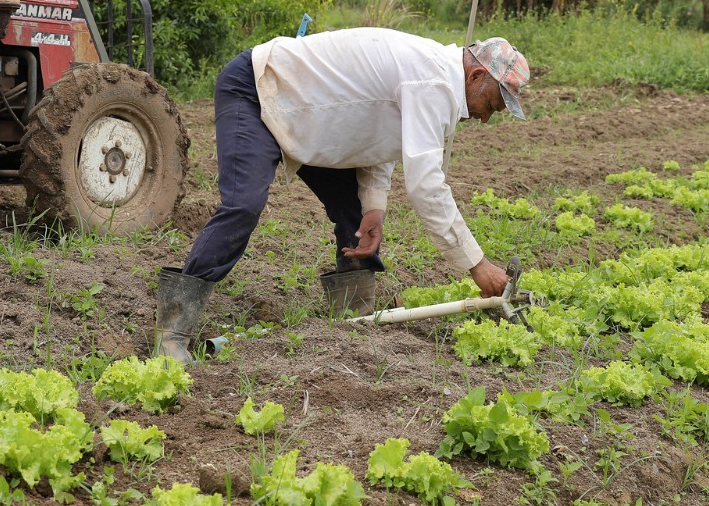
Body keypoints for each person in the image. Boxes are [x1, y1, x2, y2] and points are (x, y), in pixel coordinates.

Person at [155, 27, 531, 364]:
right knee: (243, 205)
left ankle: (353, 317)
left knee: (356, 215)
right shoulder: (433, 81)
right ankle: (173, 333)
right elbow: (427, 187)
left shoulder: (433, 77)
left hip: (310, 118)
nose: (485, 118)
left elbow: (379, 136)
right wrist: (478, 265)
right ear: (476, 75)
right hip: (259, 90)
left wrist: (374, 208)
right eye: (491, 105)